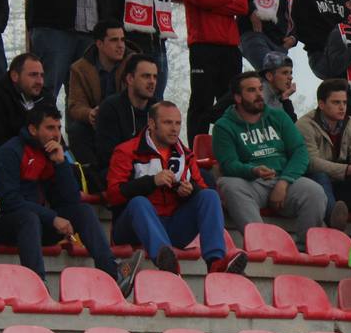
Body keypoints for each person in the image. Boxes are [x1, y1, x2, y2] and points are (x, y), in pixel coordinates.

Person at [0, 105, 135, 293]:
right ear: (33, 129)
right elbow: (9, 201)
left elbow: (71, 199)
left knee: (82, 211)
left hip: (38, 226)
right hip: (6, 224)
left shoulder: (52, 153)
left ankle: (113, 272)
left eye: (58, 128)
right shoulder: (10, 153)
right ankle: (37, 286)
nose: (56, 134)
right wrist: (52, 218)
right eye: (50, 128)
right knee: (28, 218)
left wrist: (61, 164)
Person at [106, 100, 244, 276]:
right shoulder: (126, 151)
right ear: (151, 124)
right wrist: (151, 182)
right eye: (167, 123)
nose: (174, 129)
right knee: (139, 203)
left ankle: (216, 262)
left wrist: (189, 191)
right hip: (132, 228)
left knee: (209, 196)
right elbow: (113, 196)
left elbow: (200, 188)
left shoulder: (185, 155)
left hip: (173, 225)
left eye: (178, 123)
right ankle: (168, 264)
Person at [213, 72, 326, 248]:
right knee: (229, 185)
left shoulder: (278, 117)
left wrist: (284, 182)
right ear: (237, 97)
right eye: (251, 90)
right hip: (250, 183)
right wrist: (253, 170)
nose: (259, 95)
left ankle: (303, 249)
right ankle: (261, 244)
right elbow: (228, 164)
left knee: (315, 191)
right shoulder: (223, 126)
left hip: (283, 181)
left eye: (260, 89)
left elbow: (300, 152)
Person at [179, 0, 250, 138]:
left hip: (230, 48)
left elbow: (243, 6)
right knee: (201, 101)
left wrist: (214, 2)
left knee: (232, 103)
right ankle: (195, 160)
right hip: (203, 47)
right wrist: (225, 0)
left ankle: (227, 150)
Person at [298, 79, 351, 229]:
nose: (342, 107)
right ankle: (333, 220)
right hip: (313, 180)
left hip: (339, 182)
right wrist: (347, 170)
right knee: (319, 175)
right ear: (321, 104)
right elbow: (311, 162)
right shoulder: (305, 125)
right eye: (336, 102)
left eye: (344, 102)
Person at [0, 53, 53, 167]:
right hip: (5, 164)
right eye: (33, 75)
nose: (39, 81)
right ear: (15, 76)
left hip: (40, 159)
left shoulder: (45, 97)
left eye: (42, 75)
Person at [66, 21, 128, 171]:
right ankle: (93, 176)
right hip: (96, 123)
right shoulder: (79, 68)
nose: (120, 45)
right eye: (114, 40)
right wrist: (90, 114)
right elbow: (75, 105)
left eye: (122, 40)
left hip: (127, 121)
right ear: (99, 44)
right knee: (76, 130)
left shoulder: (133, 62)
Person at [93, 54, 160, 190]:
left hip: (155, 168)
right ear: (130, 79)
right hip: (122, 170)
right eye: (146, 76)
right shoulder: (111, 107)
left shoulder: (157, 108)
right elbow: (108, 155)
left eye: (155, 77)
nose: (152, 81)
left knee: (203, 176)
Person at [261, 52, 298, 122]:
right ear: (269, 76)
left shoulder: (279, 97)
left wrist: (286, 99)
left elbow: (293, 127)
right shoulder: (259, 96)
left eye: (291, 73)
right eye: (284, 73)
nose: (290, 77)